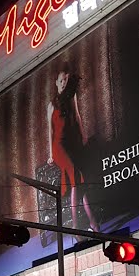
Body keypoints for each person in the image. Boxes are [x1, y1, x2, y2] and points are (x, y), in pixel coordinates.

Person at [46, 63, 99, 232]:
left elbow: (77, 116)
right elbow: (50, 130)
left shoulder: (71, 97)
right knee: (76, 179)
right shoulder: (52, 105)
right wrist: (50, 154)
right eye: (61, 80)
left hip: (71, 144)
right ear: (56, 82)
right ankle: (77, 227)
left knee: (80, 183)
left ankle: (92, 223)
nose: (63, 83)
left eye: (66, 80)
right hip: (59, 147)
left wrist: (83, 135)